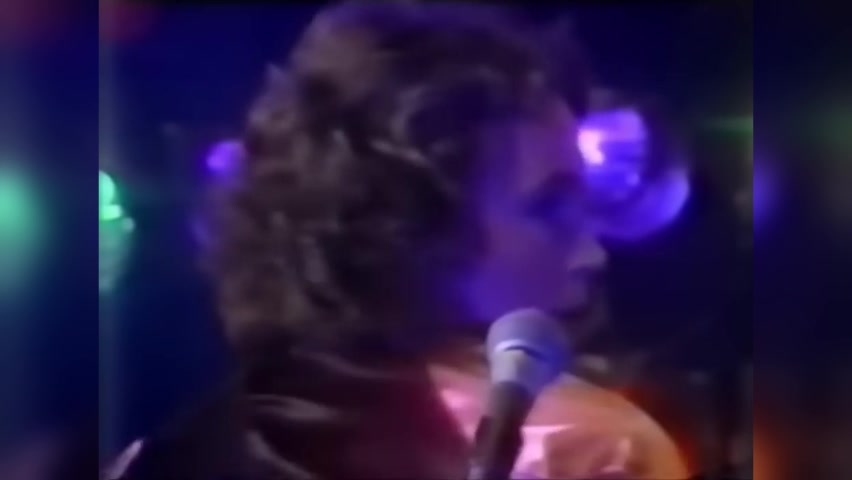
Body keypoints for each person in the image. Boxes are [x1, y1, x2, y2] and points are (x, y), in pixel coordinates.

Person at [123, 3, 688, 479]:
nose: (593, 250)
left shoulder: (162, 457)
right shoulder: (593, 453)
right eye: (550, 208)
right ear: (412, 233)